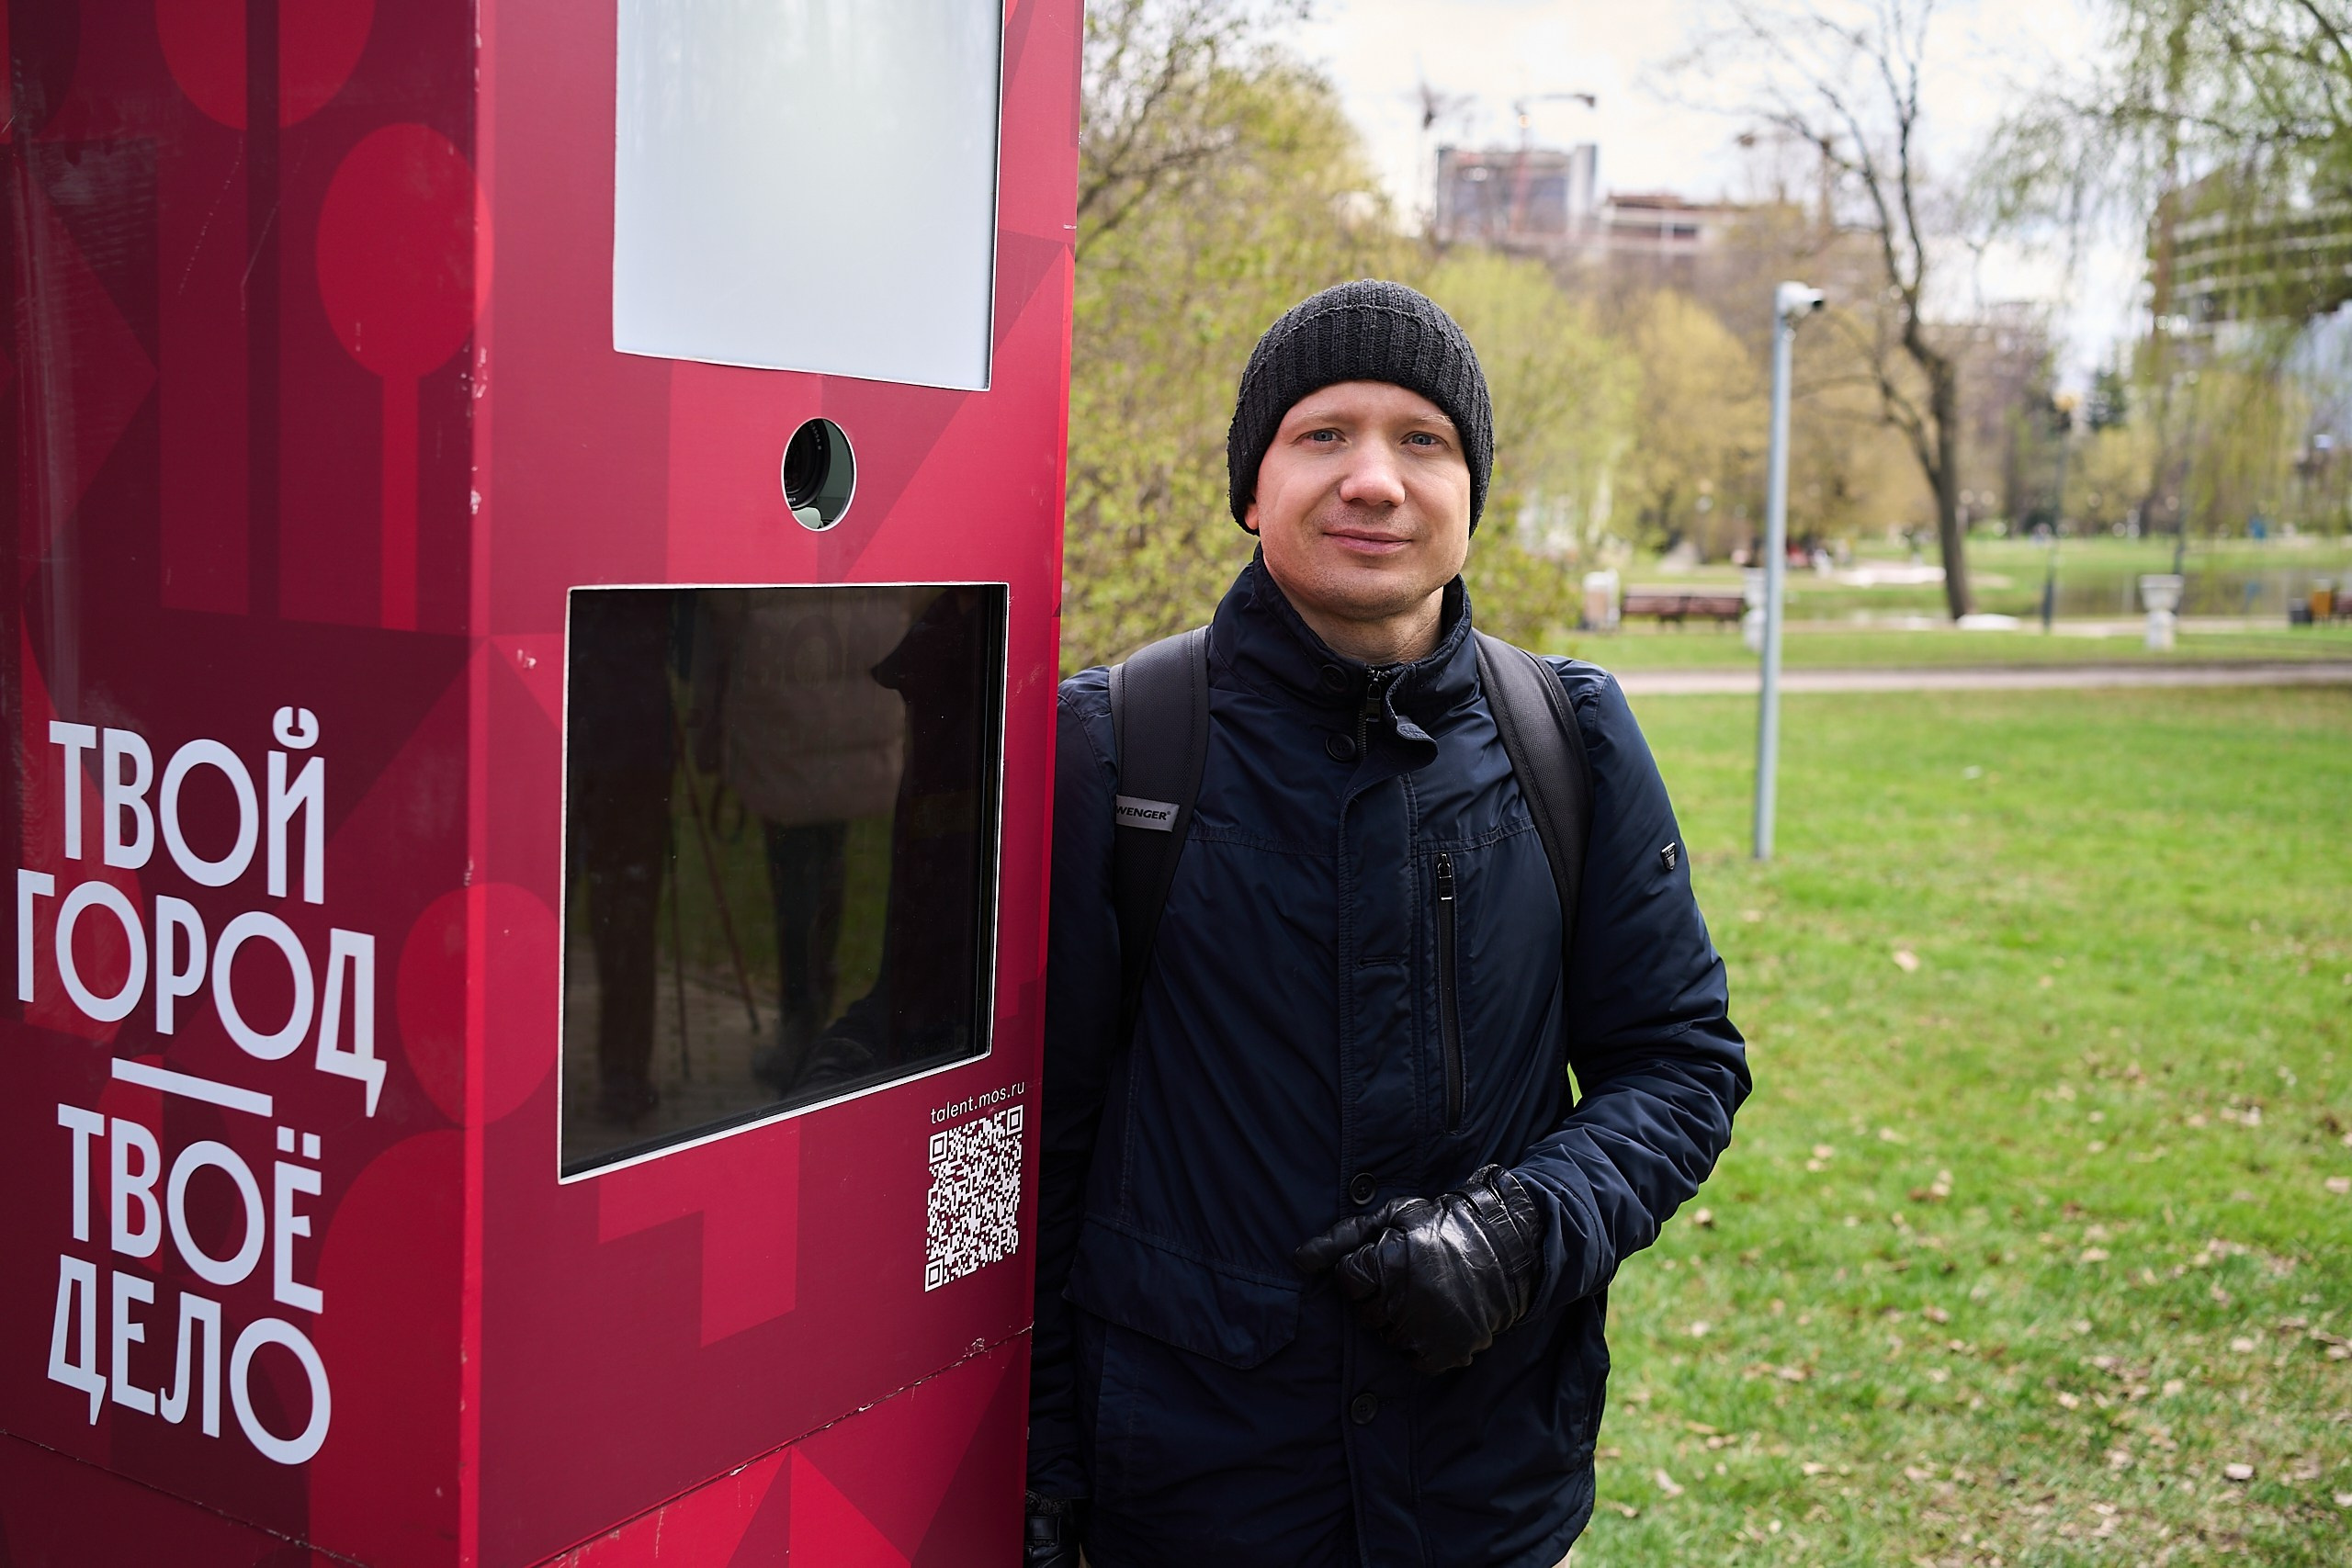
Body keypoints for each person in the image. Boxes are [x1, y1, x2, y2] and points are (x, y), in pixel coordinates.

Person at [1025, 280, 1750, 1568]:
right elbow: (1032, 1142)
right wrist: (1038, 1462)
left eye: (1424, 440)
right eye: (1324, 435)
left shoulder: (1569, 739)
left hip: (1482, 1483)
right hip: (1192, 1493)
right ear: (1253, 489)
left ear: (1472, 492)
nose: (1375, 480)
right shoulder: (1118, 745)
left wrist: (1522, 1232)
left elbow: (1681, 1063)